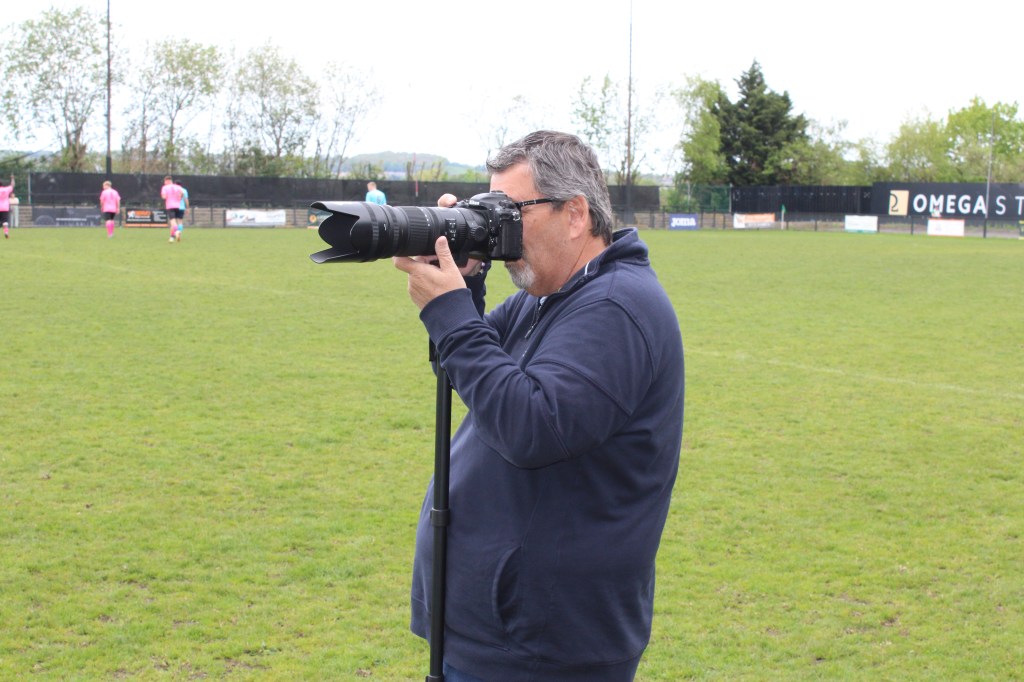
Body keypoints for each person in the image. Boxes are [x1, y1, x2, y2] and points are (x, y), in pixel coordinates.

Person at [393, 130, 685, 681]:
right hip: (499, 631)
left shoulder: (616, 308)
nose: (497, 227)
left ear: (576, 214)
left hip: (544, 648)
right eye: (488, 210)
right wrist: (468, 286)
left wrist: (453, 314)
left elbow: (532, 429)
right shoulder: (546, 297)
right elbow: (466, 371)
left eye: (511, 210)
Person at [161, 175, 185, 242]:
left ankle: (177, 231)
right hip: (177, 206)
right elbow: (182, 193)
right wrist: (179, 198)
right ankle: (172, 237)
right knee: (174, 223)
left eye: (164, 181)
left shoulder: (165, 187)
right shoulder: (178, 187)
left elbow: (164, 197)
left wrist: (166, 196)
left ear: (166, 181)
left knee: (173, 221)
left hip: (170, 206)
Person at [0, 174, 15, 239]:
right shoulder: (6, 189)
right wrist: (12, 178)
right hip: (5, 207)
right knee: (5, 221)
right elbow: (12, 185)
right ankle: (6, 233)